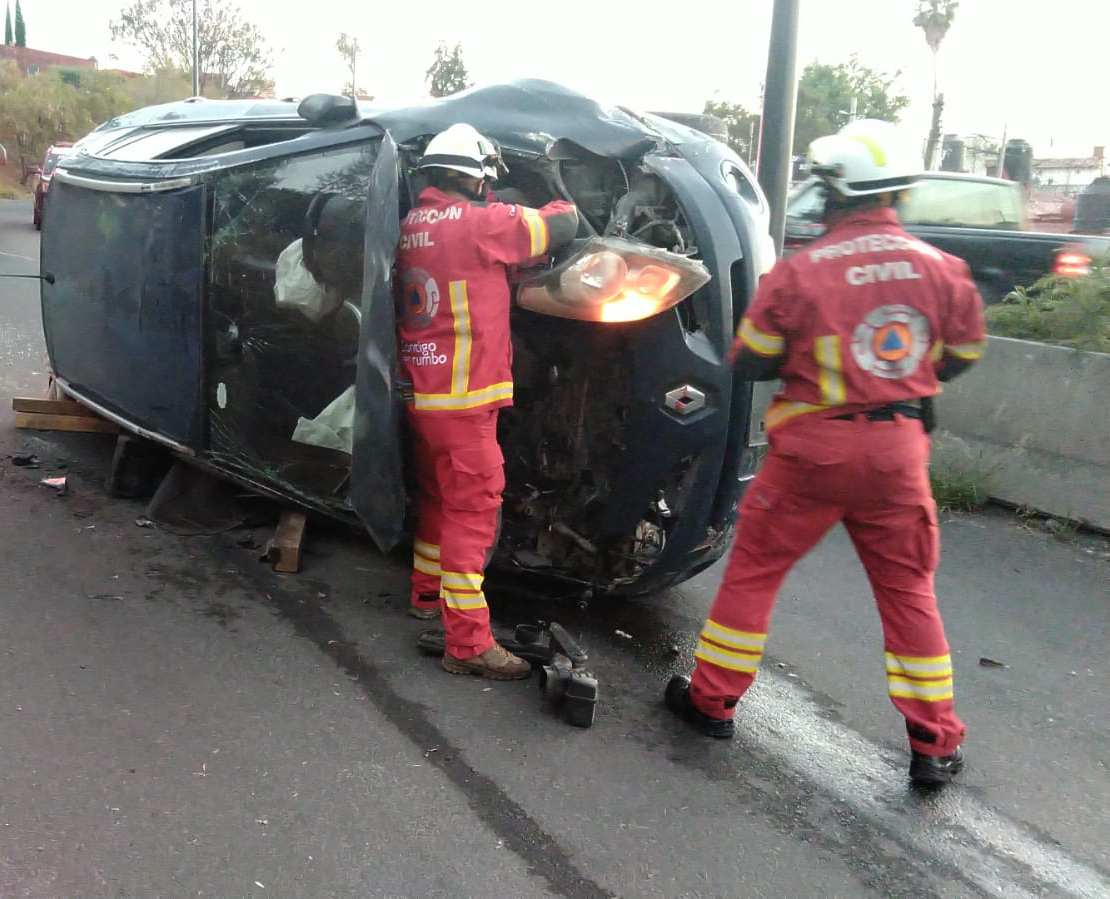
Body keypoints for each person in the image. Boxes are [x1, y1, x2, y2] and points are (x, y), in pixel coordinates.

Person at [662, 120, 987, 788]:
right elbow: (962, 354)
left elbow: (748, 358)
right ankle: (932, 743)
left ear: (833, 191)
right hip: (897, 451)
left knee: (754, 573)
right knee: (908, 594)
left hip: (811, 449)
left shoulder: (801, 270)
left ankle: (712, 701)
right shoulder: (942, 269)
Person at [396, 123, 581, 680]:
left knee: (437, 499)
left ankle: (426, 596)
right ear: (475, 178)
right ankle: (468, 643)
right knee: (472, 517)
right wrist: (557, 188)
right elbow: (560, 223)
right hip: (467, 403)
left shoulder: (409, 225)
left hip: (423, 397)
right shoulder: (482, 223)